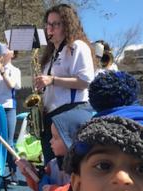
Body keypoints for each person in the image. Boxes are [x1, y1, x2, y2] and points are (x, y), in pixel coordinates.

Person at [34, 4, 95, 166]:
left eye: (56, 24)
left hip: (69, 112)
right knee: (52, 167)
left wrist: (52, 80)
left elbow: (86, 81)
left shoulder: (77, 47)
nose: (50, 28)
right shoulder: (51, 53)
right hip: (52, 116)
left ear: (67, 25)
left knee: (67, 170)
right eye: (48, 24)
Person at [15, 106, 92, 191]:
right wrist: (29, 172)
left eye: (55, 138)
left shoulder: (84, 167)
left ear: (70, 140)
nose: (50, 141)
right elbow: (42, 188)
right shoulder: (53, 165)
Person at [0, 44, 21, 184]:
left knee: (8, 142)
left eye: (7, 49)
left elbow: (13, 85)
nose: (3, 52)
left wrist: (2, 71)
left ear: (13, 54)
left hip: (8, 108)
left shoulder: (15, 70)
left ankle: (13, 172)